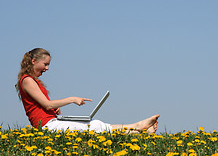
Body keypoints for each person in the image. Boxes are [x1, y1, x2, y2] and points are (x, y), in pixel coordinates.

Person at [15, 48, 160, 133]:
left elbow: (43, 105)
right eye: (45, 64)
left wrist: (55, 109)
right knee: (94, 127)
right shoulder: (27, 80)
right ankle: (137, 126)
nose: (47, 68)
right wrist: (71, 99)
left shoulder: (33, 81)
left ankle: (136, 131)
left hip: (52, 121)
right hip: (47, 126)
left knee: (93, 125)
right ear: (34, 61)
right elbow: (46, 104)